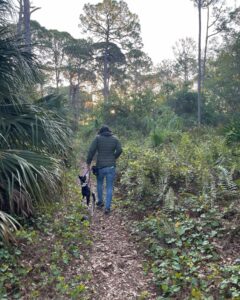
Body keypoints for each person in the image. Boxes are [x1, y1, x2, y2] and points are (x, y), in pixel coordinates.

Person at [86, 125, 122, 214]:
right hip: (111, 167)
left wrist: (88, 162)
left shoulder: (97, 138)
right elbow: (120, 150)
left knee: (99, 183)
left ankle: (100, 201)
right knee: (109, 187)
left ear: (101, 131)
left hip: (100, 166)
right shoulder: (115, 139)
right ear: (109, 131)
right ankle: (107, 208)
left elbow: (91, 150)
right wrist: (114, 157)